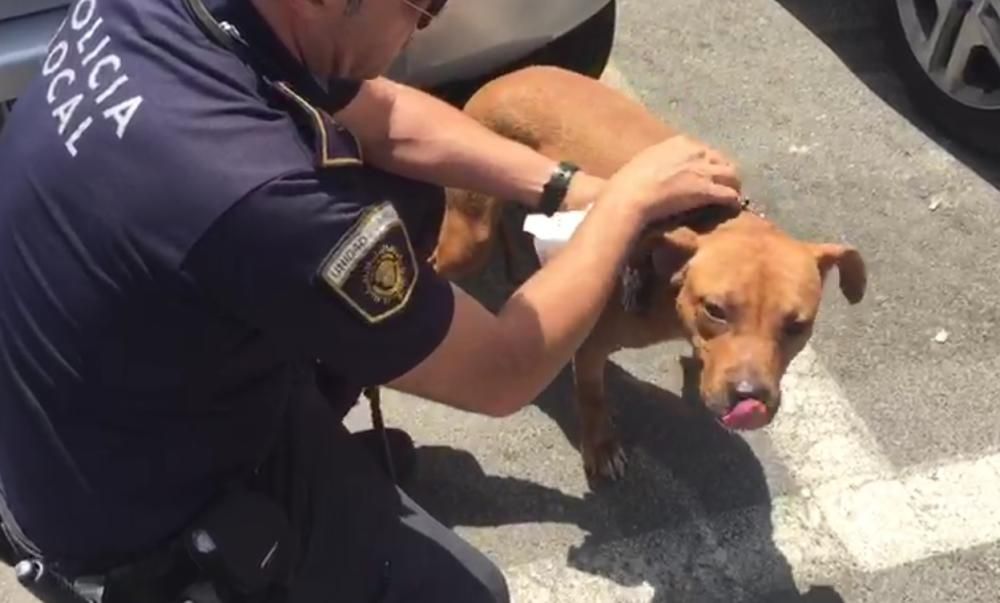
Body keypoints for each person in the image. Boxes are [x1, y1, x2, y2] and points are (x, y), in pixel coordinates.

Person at [0, 0, 742, 601]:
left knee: (410, 201)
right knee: (468, 593)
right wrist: (632, 204)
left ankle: (312, 431)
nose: (425, 27)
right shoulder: (266, 199)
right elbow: (505, 370)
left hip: (82, 394)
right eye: (423, 8)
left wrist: (574, 187)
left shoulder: (175, 15)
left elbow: (381, 115)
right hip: (128, 522)